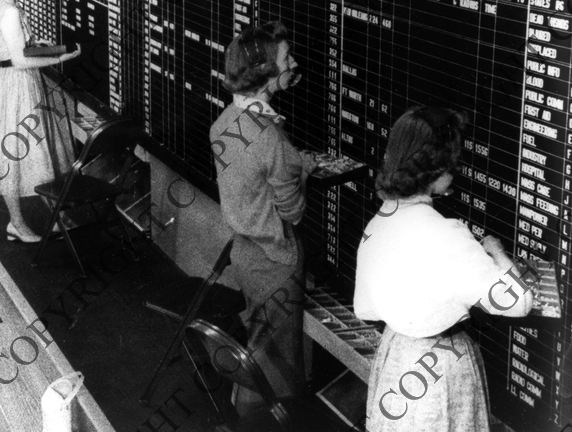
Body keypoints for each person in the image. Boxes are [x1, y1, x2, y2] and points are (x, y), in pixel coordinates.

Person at [354, 106, 534, 431]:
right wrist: (498, 254)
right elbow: (518, 302)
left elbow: (366, 307)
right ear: (437, 167)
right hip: (439, 366)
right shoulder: (446, 232)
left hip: (394, 358)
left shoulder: (378, 221)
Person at [209, 22, 318, 411]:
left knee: (259, 346)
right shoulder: (271, 138)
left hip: (245, 253)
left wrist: (289, 164)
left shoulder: (225, 122)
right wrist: (300, 170)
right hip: (278, 262)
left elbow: (249, 177)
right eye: (286, 57)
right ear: (267, 72)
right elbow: (294, 210)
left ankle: (245, 408)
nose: (294, 62)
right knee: (276, 365)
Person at [0, 0, 81, 243]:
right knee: (21, 154)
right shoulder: (9, 10)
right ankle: (18, 224)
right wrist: (59, 59)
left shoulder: (1, 1)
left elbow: (18, 49)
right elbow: (21, 60)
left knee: (37, 150)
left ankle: (55, 218)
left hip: (15, 83)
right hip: (17, 85)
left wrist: (41, 44)